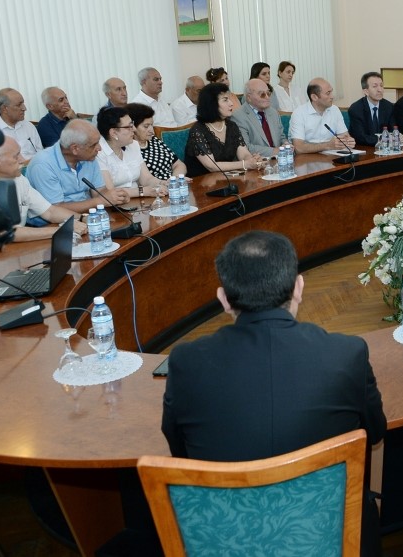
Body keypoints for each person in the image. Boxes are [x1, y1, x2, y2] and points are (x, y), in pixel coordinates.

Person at [161, 230, 386, 556]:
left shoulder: (185, 362)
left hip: (222, 540)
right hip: (327, 535)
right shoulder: (346, 354)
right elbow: (375, 432)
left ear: (223, 299)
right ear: (299, 287)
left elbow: (179, 448)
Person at [0, 137, 87, 240]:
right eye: (16, 156)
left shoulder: (18, 178)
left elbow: (49, 211)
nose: (22, 160)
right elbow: (5, 233)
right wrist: (62, 230)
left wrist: (82, 218)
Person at [26, 119, 132, 213]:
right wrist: (100, 201)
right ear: (75, 148)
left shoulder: (89, 157)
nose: (99, 148)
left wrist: (116, 196)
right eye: (94, 145)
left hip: (89, 214)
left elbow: (99, 191)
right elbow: (55, 209)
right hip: (53, 224)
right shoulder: (43, 164)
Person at [184, 82, 263, 177]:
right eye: (225, 100)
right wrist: (245, 164)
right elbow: (212, 166)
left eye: (229, 99)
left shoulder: (231, 126)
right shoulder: (198, 130)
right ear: (211, 104)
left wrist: (252, 160)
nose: (231, 103)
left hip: (227, 178)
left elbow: (243, 153)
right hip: (202, 182)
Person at [95, 107, 167, 198]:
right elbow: (109, 192)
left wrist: (163, 183)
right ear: (113, 133)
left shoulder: (133, 145)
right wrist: (142, 191)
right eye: (129, 126)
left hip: (138, 201)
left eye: (132, 124)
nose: (134, 129)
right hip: (114, 206)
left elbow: (146, 179)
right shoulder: (98, 153)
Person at [288, 78, 356, 153]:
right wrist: (327, 145)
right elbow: (299, 148)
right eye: (328, 93)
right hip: (307, 159)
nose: (332, 96)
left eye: (331, 92)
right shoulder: (299, 113)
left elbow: (344, 136)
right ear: (314, 97)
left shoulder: (334, 110)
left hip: (332, 156)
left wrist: (348, 142)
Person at [125, 103, 187, 180]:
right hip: (155, 188)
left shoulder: (154, 140)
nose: (152, 131)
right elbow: (142, 181)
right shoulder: (129, 148)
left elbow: (179, 164)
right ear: (132, 127)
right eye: (146, 126)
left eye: (152, 125)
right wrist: (165, 184)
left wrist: (175, 179)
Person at [0, 88, 43, 161]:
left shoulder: (28, 126)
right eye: (19, 105)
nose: (24, 108)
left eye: (23, 103)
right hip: (8, 171)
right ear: (5, 109)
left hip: (34, 167)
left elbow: (40, 153)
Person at [231, 78, 284, 157]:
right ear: (249, 97)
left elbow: (282, 137)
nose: (267, 97)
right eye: (262, 94)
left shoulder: (273, 112)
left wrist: (286, 144)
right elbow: (245, 147)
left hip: (279, 160)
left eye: (268, 93)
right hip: (257, 163)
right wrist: (274, 151)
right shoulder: (238, 116)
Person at [348, 72, 399, 146]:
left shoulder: (388, 106)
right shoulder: (356, 109)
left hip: (385, 150)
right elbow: (360, 137)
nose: (380, 90)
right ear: (366, 91)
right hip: (364, 149)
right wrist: (384, 140)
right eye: (375, 86)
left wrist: (398, 136)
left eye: (381, 86)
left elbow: (392, 130)